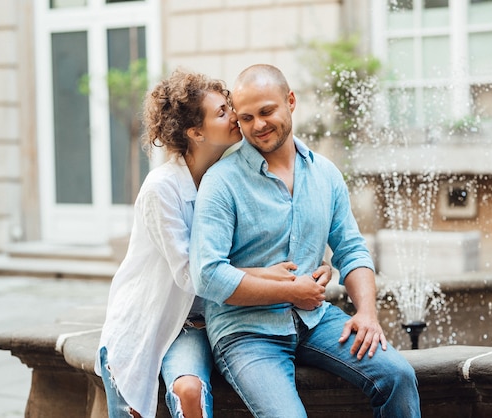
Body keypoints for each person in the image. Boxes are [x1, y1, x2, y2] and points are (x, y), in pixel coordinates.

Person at [95, 68, 331, 418]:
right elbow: (193, 276)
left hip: (206, 321)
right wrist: (269, 276)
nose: (236, 117)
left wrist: (313, 267)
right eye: (223, 112)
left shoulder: (225, 176)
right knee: (184, 390)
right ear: (196, 132)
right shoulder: (162, 189)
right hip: (155, 319)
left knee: (194, 389)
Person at [190, 64, 421, 418]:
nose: (259, 125)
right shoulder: (221, 181)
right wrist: (289, 291)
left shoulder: (325, 174)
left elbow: (352, 250)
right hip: (245, 332)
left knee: (398, 375)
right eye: (247, 117)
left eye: (267, 111)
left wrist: (367, 314)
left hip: (314, 321)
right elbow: (206, 274)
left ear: (291, 101)